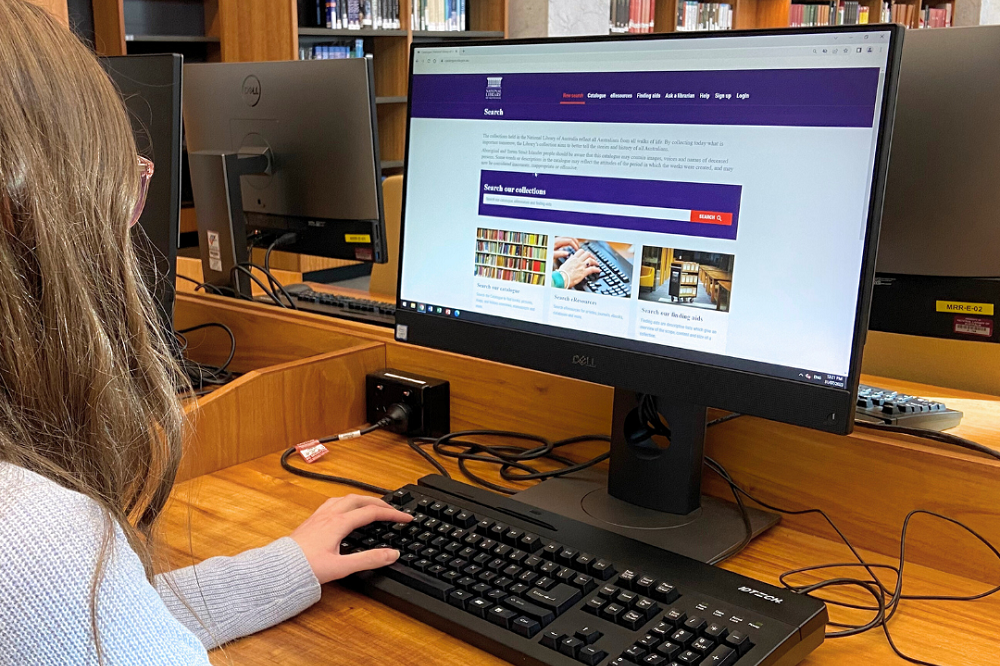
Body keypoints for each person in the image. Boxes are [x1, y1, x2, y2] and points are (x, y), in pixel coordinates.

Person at [0, 2, 410, 663]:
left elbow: (104, 619)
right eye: (125, 188)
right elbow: (75, 605)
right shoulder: (36, 537)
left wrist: (285, 566)